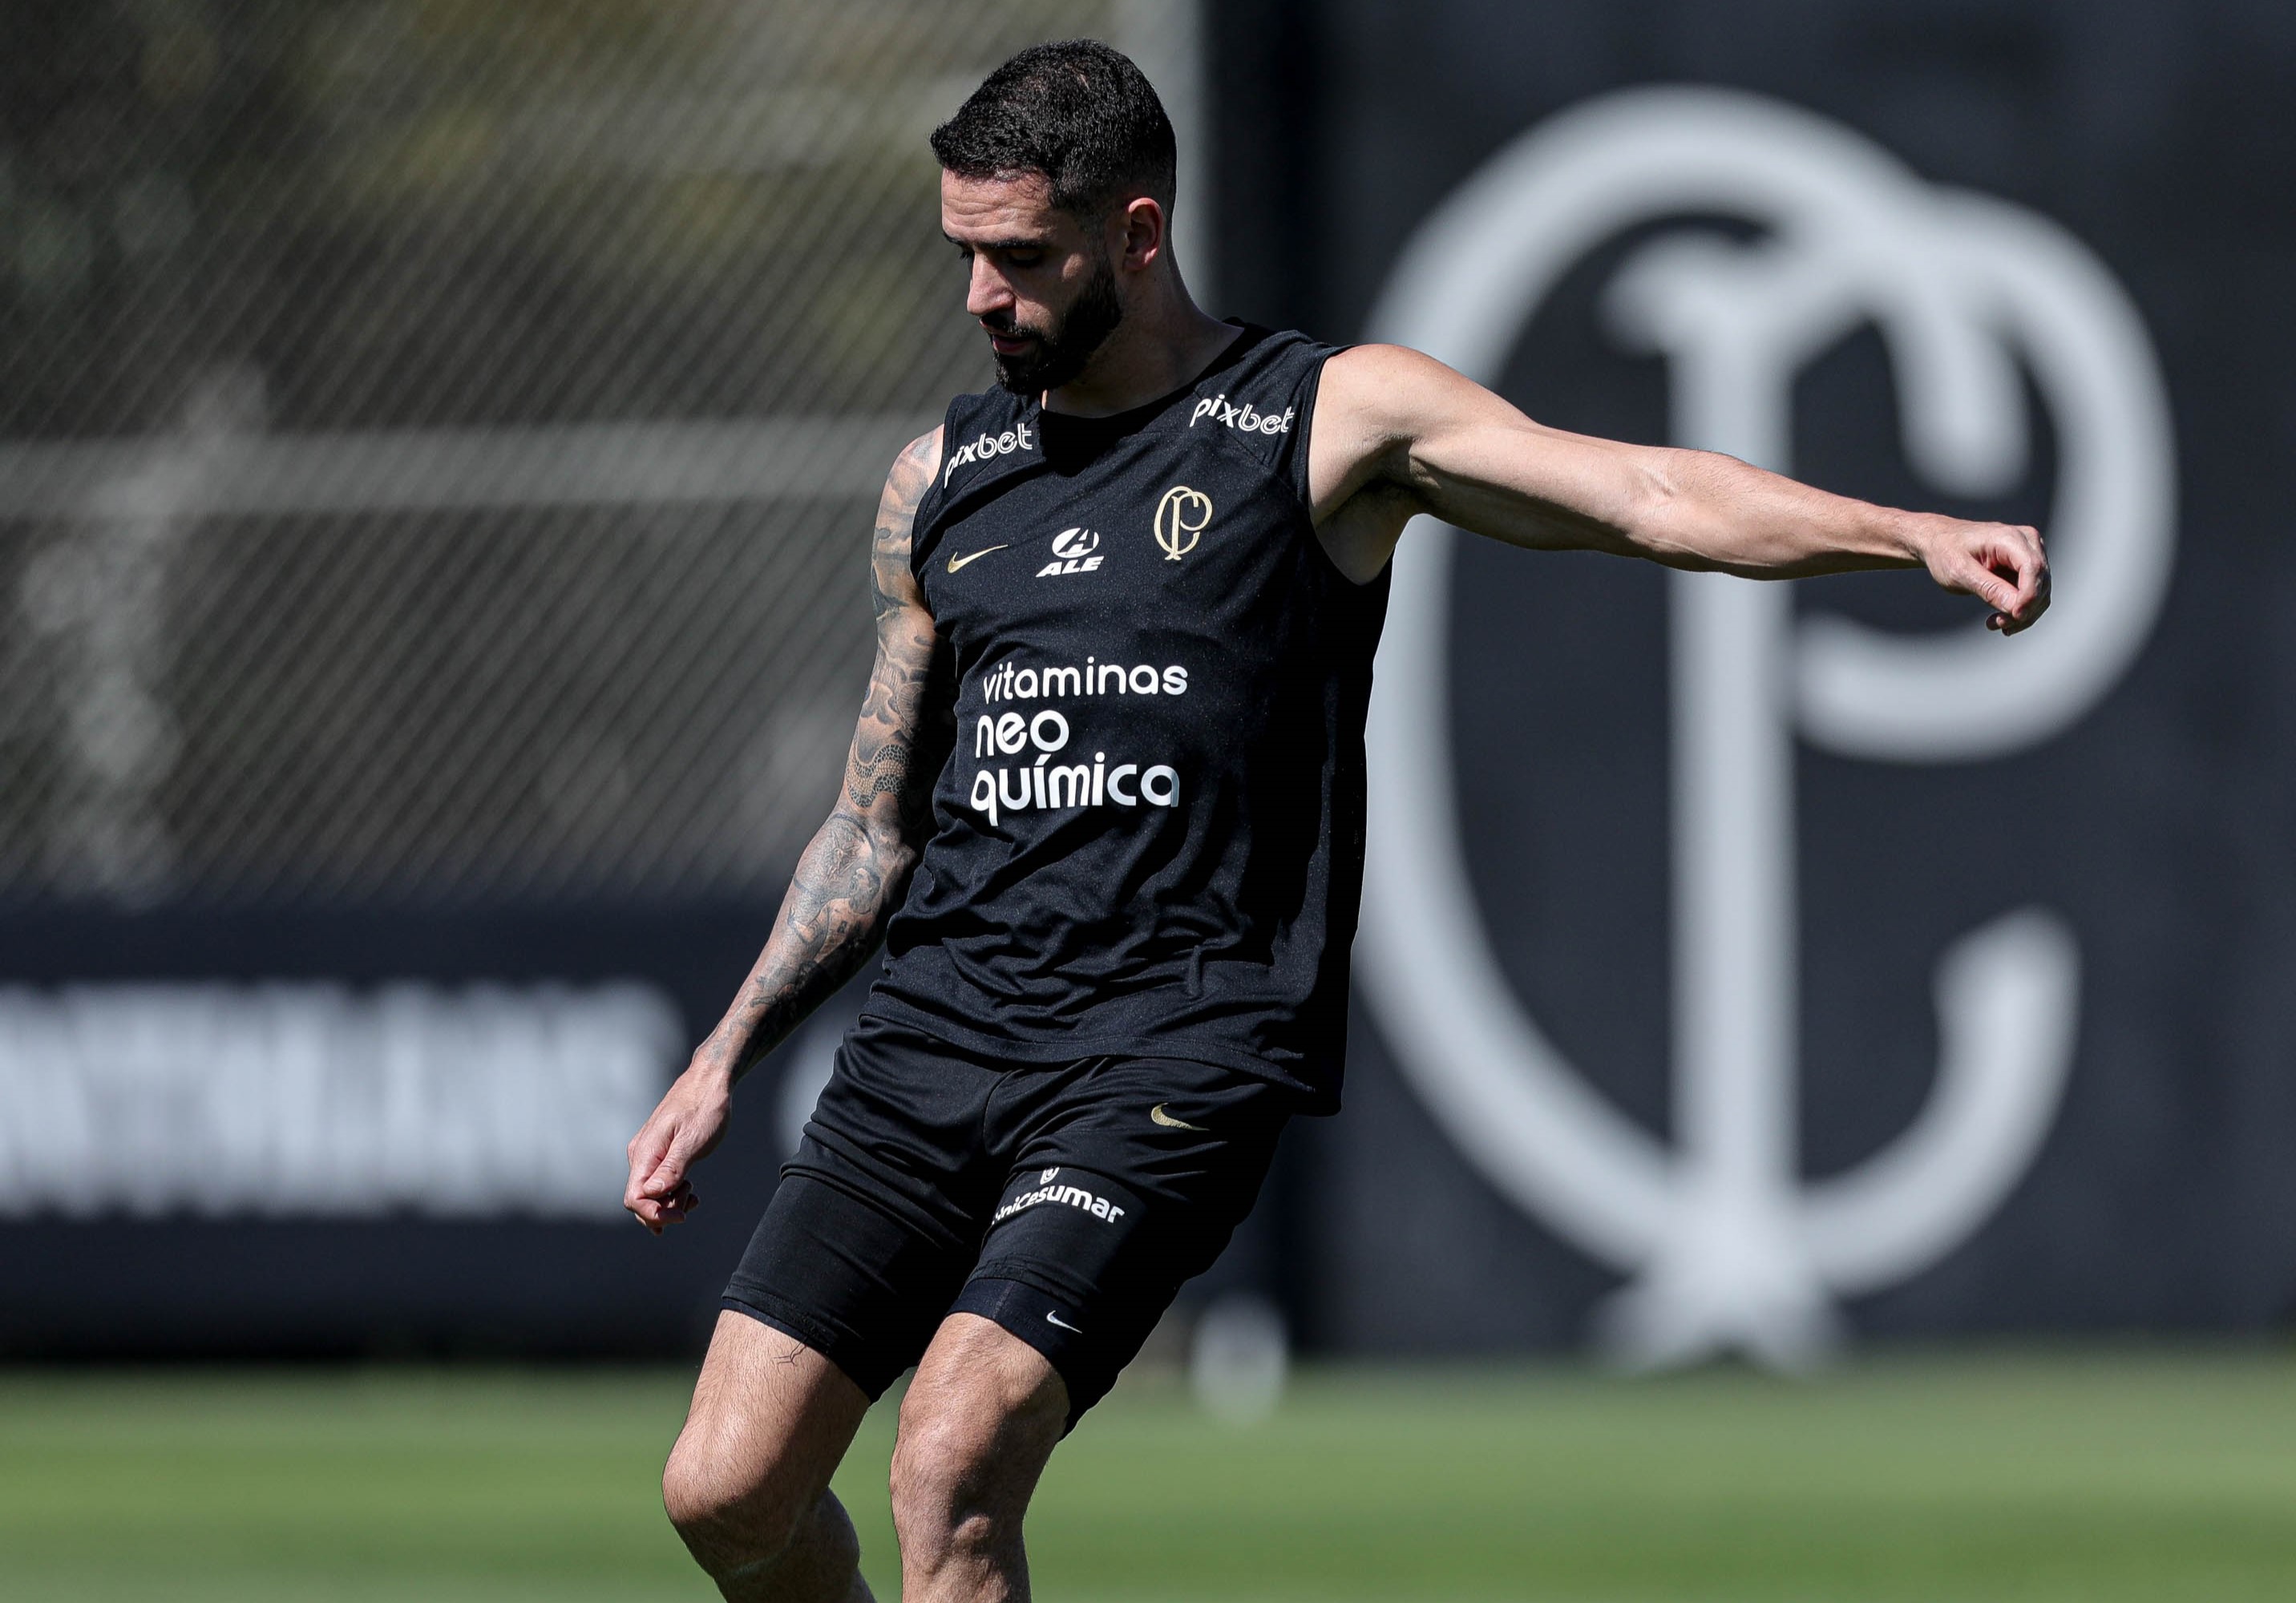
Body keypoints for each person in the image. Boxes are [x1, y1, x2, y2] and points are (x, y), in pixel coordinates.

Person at [622, 38, 2048, 1603]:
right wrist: (721, 1057)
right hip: (932, 1041)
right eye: (962, 253)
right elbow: (866, 829)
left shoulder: (1325, 420)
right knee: (727, 1491)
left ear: (1138, 235)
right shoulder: (940, 480)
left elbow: (1645, 493)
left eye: (1020, 257)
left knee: (952, 1454)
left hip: (1165, 1048)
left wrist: (1905, 534)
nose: (980, 296)